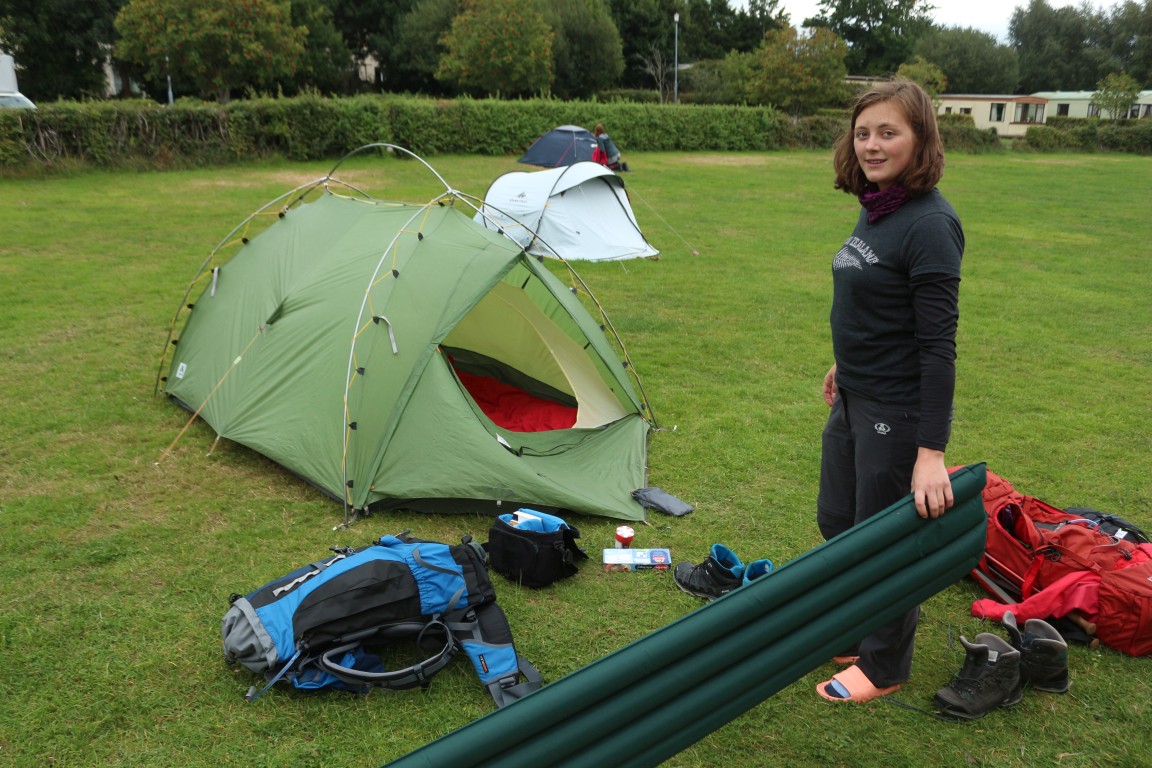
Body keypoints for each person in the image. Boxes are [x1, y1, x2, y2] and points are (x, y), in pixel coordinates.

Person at [814, 79, 965, 704]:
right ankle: (853, 628)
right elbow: (874, 304)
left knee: (883, 540)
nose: (872, 145)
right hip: (854, 392)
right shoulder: (879, 205)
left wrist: (930, 451)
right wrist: (841, 363)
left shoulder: (929, 224)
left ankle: (884, 664)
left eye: (888, 132)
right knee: (838, 522)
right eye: (863, 132)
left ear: (919, 138)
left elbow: (937, 346)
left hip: (896, 410)